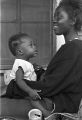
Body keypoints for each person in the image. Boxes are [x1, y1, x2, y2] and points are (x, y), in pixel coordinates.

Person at [6, 0, 82, 117]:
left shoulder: (74, 48)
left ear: (73, 20)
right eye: (54, 16)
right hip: (55, 100)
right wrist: (41, 72)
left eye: (59, 17)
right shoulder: (72, 47)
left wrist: (12, 87)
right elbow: (59, 80)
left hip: (56, 105)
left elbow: (49, 86)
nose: (54, 20)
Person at [6, 33, 41, 100]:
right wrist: (30, 91)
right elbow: (19, 81)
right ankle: (43, 110)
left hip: (24, 87)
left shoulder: (24, 62)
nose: (35, 47)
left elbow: (27, 72)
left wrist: (34, 68)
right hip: (18, 88)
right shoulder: (20, 64)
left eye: (34, 44)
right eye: (31, 45)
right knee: (33, 97)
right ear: (20, 51)